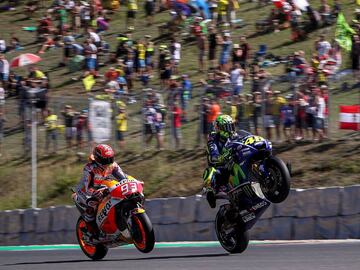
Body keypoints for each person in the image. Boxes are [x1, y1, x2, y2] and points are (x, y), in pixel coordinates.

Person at [73, 144, 131, 240]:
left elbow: (123, 178)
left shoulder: (113, 165)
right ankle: (92, 233)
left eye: (110, 159)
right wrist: (96, 192)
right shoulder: (90, 169)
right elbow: (88, 188)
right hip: (84, 191)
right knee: (92, 204)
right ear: (97, 159)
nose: (108, 163)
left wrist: (130, 182)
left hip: (101, 186)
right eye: (105, 160)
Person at [203, 114, 239, 208]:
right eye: (229, 126)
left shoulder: (234, 136)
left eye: (232, 126)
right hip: (221, 170)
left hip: (235, 166)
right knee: (209, 171)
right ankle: (210, 192)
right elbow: (213, 157)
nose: (232, 128)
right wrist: (224, 157)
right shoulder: (213, 140)